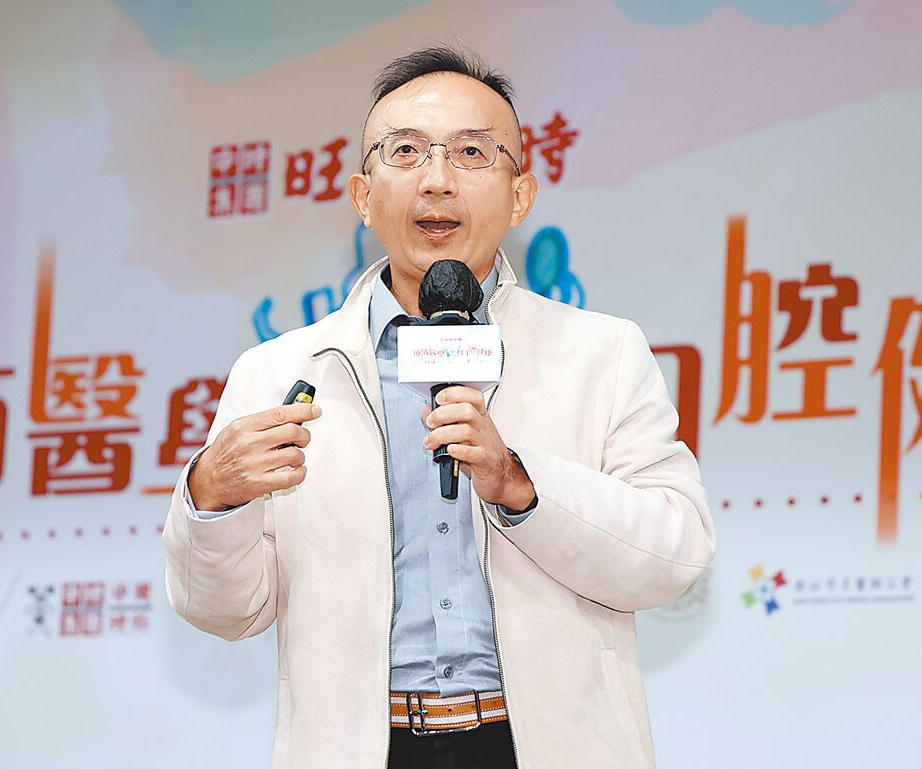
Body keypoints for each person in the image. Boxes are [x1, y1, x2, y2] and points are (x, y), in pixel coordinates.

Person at [163, 45, 716, 769]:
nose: (436, 180)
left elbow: (675, 552)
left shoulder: (601, 353)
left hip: (542, 748)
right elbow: (226, 610)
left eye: (472, 153)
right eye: (406, 152)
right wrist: (211, 497)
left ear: (521, 196)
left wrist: (521, 484)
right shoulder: (279, 373)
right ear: (363, 196)